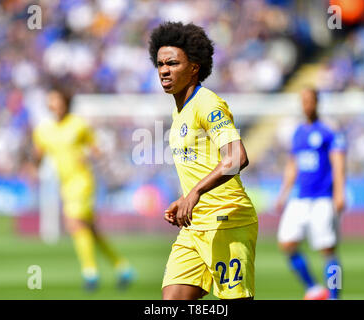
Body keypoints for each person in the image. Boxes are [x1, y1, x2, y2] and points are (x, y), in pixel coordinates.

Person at [148, 21, 258, 300]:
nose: (164, 70)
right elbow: (201, 165)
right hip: (194, 225)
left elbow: (237, 157)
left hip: (226, 220)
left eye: (172, 63)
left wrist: (195, 192)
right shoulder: (179, 112)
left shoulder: (207, 103)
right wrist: (186, 197)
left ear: (194, 67)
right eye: (160, 64)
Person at [32, 84, 134, 291]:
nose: (53, 104)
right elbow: (38, 156)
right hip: (65, 184)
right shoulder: (43, 130)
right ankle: (122, 267)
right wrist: (34, 164)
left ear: (65, 102)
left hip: (83, 182)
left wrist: (86, 155)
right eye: (51, 100)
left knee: (74, 223)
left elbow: (96, 150)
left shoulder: (78, 125)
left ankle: (90, 274)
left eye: (56, 99)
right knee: (91, 231)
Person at [275, 88, 346, 300]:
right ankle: (314, 288)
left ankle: (334, 296)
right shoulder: (297, 133)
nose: (306, 104)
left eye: (310, 100)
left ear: (317, 102)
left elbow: (338, 163)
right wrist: (283, 193)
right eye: (303, 100)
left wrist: (340, 193)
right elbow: (292, 166)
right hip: (301, 198)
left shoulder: (328, 131)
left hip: (323, 198)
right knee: (287, 243)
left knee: (327, 250)